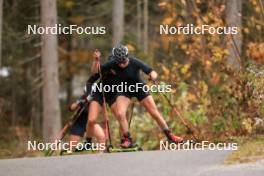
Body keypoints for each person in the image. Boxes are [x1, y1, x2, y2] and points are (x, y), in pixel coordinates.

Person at [90, 45, 184, 148]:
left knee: (154, 113)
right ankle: (127, 139)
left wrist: (153, 76)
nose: (122, 64)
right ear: (116, 60)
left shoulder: (134, 61)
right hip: (124, 90)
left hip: (139, 88)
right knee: (120, 114)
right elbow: (96, 71)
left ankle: (170, 136)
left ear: (127, 57)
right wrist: (96, 60)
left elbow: (151, 71)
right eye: (119, 62)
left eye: (124, 61)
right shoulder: (112, 63)